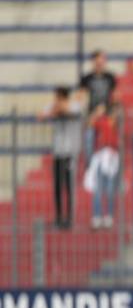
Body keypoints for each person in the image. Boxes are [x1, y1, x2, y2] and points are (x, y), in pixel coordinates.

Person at [39, 87, 82, 229]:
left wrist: (59, 109)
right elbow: (40, 115)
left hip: (70, 152)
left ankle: (70, 218)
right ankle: (58, 217)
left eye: (57, 97)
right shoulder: (54, 107)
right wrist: (53, 111)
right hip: (58, 152)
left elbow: (71, 111)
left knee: (69, 186)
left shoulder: (74, 105)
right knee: (57, 186)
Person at [84, 100, 122, 230]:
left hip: (113, 158)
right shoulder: (102, 121)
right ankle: (97, 216)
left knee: (111, 189)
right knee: (98, 189)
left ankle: (109, 216)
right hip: (101, 156)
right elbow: (89, 123)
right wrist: (96, 113)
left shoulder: (118, 127)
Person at [79, 50, 117, 156]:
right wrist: (90, 117)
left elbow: (115, 98)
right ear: (93, 62)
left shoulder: (110, 78)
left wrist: (112, 116)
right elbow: (81, 99)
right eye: (97, 62)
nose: (100, 64)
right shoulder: (86, 79)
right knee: (89, 145)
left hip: (106, 117)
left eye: (102, 61)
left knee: (107, 150)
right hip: (91, 119)